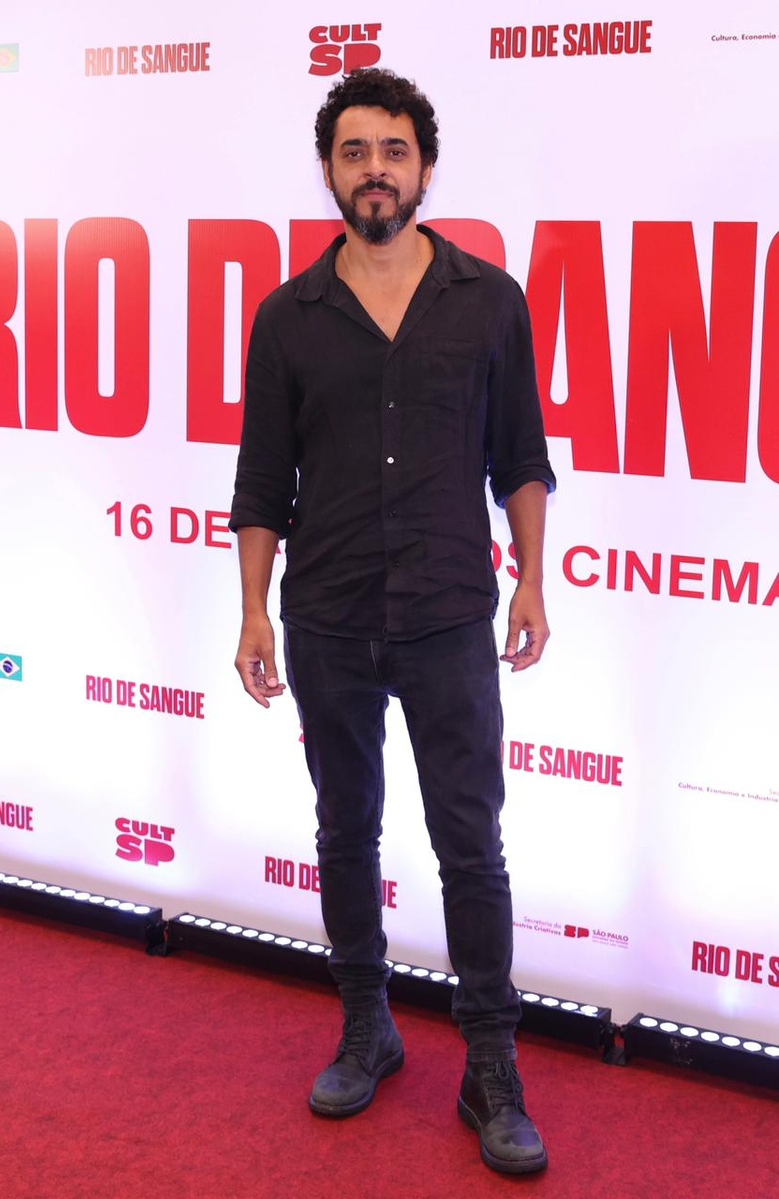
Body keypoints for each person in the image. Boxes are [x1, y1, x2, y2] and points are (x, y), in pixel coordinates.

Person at [230, 68, 556, 1176]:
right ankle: (367, 1027)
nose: (376, 170)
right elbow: (261, 482)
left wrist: (531, 579)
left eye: (394, 150)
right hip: (324, 616)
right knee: (343, 831)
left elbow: (520, 456)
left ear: (424, 167)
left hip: (450, 613)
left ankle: (490, 1064)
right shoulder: (287, 317)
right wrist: (253, 612)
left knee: (470, 845)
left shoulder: (488, 300)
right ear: (330, 170)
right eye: (356, 151)